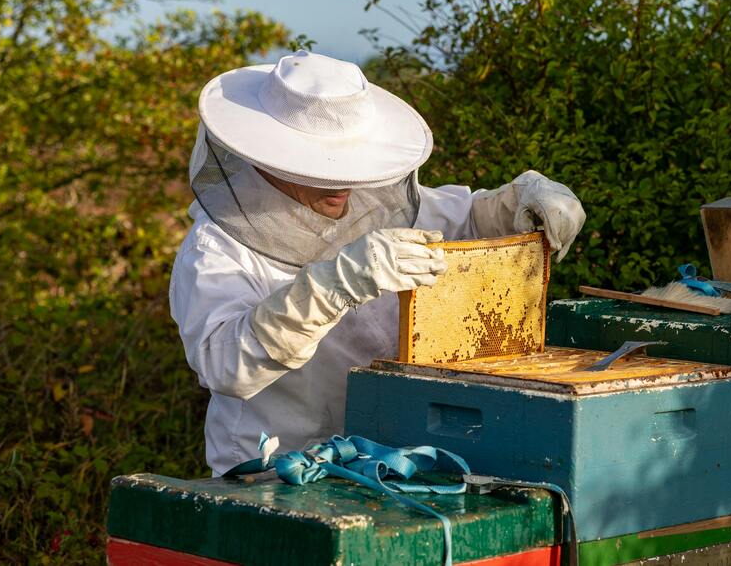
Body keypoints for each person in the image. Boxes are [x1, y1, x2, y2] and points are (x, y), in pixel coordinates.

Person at [169, 50, 585, 475]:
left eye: (351, 166)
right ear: (270, 157)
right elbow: (226, 366)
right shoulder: (216, 248)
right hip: (274, 469)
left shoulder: (368, 198)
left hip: (387, 459)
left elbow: (468, 217)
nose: (342, 185)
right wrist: (335, 285)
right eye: (319, 170)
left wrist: (522, 199)